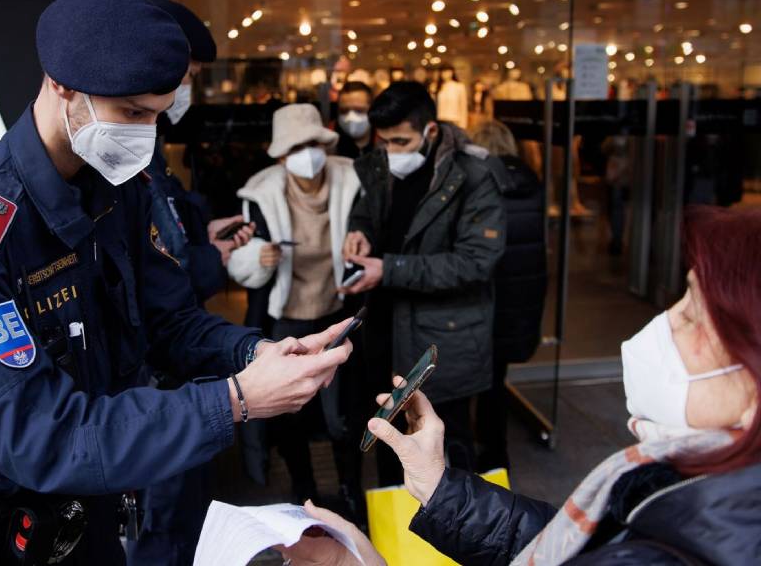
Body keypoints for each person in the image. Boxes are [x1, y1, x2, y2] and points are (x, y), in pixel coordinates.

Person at [0, 0, 352, 564]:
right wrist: (236, 401)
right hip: (6, 535)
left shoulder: (122, 190)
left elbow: (169, 323)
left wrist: (258, 354)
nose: (145, 135)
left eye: (157, 114)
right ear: (62, 85)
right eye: (133, 114)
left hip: (98, 507)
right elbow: (42, 434)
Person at [285, 205, 761, 566]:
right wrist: (439, 487)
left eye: (695, 316)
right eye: (681, 298)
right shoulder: (693, 487)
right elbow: (571, 544)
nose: (665, 324)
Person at [126, 0, 254, 566]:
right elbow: (157, 276)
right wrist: (213, 257)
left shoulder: (149, 150)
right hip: (155, 388)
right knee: (163, 532)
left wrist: (205, 229)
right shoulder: (123, 155)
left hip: (182, 370)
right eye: (189, 78)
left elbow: (168, 234)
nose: (187, 92)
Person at [341, 81, 505, 482]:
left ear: (430, 131)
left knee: (445, 445)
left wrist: (389, 269)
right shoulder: (381, 164)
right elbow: (369, 212)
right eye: (386, 142)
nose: (392, 151)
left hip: (439, 338)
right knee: (389, 437)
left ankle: (456, 539)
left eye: (401, 141)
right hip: (384, 328)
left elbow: (475, 262)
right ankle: (392, 537)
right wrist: (358, 229)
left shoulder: (474, 175)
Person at [228, 104, 365, 516]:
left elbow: (369, 230)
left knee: (345, 411)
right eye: (296, 147)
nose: (307, 155)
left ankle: (351, 488)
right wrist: (258, 258)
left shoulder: (351, 180)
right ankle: (303, 490)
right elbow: (240, 263)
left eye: (313, 144)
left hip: (338, 309)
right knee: (293, 412)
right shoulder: (261, 192)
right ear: (281, 155)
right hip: (286, 315)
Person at [470, 120, 547, 472]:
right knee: (496, 378)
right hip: (520, 294)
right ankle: (495, 451)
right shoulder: (531, 180)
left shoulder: (480, 183)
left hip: (486, 297)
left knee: (475, 379)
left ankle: (483, 449)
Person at [335, 81, 376, 160]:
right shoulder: (329, 144)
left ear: (372, 110)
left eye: (359, 110)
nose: (351, 117)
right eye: (344, 111)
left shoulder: (386, 142)